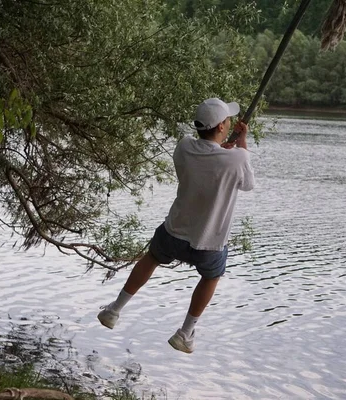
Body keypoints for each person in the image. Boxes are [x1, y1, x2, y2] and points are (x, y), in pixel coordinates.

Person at [97, 98, 255, 353]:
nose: (228, 123)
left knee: (151, 258)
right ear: (221, 127)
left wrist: (226, 149)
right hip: (209, 242)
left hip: (174, 232)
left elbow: (209, 160)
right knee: (211, 276)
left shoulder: (184, 147)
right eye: (226, 120)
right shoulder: (236, 159)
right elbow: (246, 183)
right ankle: (185, 332)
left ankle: (114, 310)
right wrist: (241, 143)